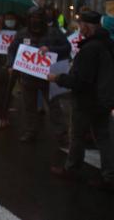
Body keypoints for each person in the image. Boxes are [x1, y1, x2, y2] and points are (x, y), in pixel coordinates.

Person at [48, 11, 114, 191]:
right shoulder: (106, 43)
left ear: (86, 26)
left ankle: (72, 170)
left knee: (77, 135)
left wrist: (58, 78)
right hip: (103, 99)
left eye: (80, 25)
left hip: (87, 100)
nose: (79, 28)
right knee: (104, 138)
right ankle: (109, 176)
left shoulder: (91, 48)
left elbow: (80, 81)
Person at [7, 6, 71, 142]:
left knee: (53, 106)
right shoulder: (22, 33)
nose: (35, 21)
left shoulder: (54, 33)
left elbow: (67, 48)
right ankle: (30, 131)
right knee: (29, 106)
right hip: (28, 77)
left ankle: (62, 133)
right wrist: (11, 64)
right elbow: (12, 49)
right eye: (32, 18)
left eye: (37, 18)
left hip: (48, 76)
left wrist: (50, 49)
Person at [0, 13, 20, 128]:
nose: (10, 21)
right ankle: (1, 116)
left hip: (13, 68)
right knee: (1, 93)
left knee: (8, 93)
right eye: (7, 19)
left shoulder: (19, 33)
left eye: (12, 18)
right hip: (0, 66)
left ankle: (5, 115)